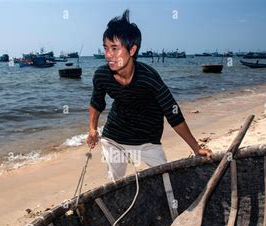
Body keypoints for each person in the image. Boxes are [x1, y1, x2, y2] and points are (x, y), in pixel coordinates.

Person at [86, 9, 212, 181]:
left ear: (132, 50)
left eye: (114, 48)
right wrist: (92, 128)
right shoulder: (102, 75)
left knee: (165, 181)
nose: (108, 55)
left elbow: (173, 113)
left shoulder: (149, 78)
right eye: (106, 48)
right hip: (114, 138)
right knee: (116, 184)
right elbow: (96, 102)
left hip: (147, 142)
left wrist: (196, 148)